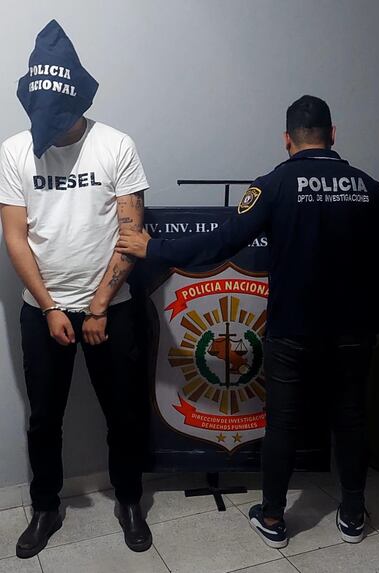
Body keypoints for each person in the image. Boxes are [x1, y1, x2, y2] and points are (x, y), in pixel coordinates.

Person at [115, 95, 379, 548]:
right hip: (354, 330)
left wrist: (154, 248)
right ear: (333, 134)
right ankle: (352, 515)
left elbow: (222, 242)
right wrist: (375, 325)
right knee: (351, 418)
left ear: (287, 139)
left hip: (294, 329)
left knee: (282, 422)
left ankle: (273, 518)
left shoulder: (274, 186)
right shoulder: (373, 189)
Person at [0, 20, 151, 558]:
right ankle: (45, 507)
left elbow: (132, 235)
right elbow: (15, 237)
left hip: (113, 308)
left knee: (124, 414)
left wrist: (99, 306)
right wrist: (48, 307)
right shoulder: (15, 151)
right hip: (44, 309)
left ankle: (129, 500)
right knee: (44, 418)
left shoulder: (116, 145)